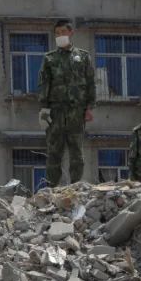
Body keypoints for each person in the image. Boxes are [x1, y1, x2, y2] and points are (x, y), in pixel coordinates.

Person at [38, 19, 95, 187]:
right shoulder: (49, 58)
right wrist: (44, 109)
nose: (60, 35)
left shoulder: (83, 57)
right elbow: (44, 84)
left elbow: (90, 82)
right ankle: (52, 187)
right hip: (55, 112)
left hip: (76, 111)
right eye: (57, 33)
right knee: (54, 151)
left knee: (76, 151)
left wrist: (89, 107)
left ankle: (76, 186)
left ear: (71, 33)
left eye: (63, 32)